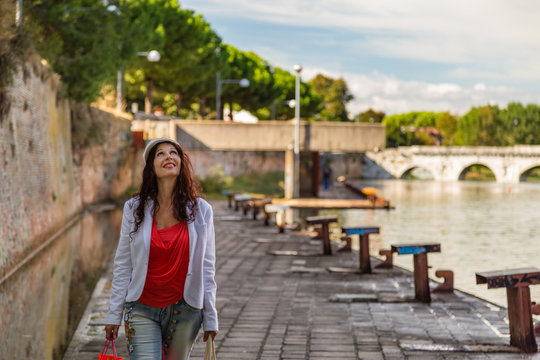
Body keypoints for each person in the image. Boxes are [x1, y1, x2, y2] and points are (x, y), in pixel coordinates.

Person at [104, 137, 218, 360]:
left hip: (186, 310)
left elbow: (207, 266)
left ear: (181, 163)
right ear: (152, 168)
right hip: (141, 307)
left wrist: (211, 316)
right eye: (161, 154)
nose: (168, 156)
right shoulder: (134, 208)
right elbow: (123, 264)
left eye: (173, 153)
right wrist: (113, 314)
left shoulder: (202, 210)